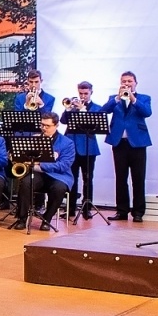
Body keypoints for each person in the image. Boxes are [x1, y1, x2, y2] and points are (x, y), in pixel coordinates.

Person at [12, 112, 76, 231]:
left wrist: (41, 164)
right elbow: (25, 157)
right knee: (25, 183)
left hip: (59, 176)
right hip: (38, 174)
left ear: (56, 125)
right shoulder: (36, 138)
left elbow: (64, 165)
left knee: (59, 188)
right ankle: (21, 219)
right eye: (42, 125)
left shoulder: (67, 143)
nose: (44, 128)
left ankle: (47, 219)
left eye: (47, 126)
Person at [102, 70, 151, 222]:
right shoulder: (114, 98)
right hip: (119, 143)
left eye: (129, 81)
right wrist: (117, 98)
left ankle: (138, 212)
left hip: (137, 143)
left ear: (135, 83)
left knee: (138, 178)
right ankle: (122, 211)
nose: (127, 84)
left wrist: (133, 99)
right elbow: (103, 110)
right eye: (124, 81)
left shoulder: (144, 98)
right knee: (121, 178)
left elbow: (147, 112)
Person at [61, 81, 104, 220]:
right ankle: (70, 208)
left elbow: (94, 124)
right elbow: (62, 121)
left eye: (86, 93)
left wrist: (83, 110)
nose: (83, 96)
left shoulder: (97, 108)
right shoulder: (72, 107)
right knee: (71, 178)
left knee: (87, 179)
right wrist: (68, 109)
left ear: (91, 92)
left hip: (88, 148)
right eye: (81, 93)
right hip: (72, 147)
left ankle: (87, 209)